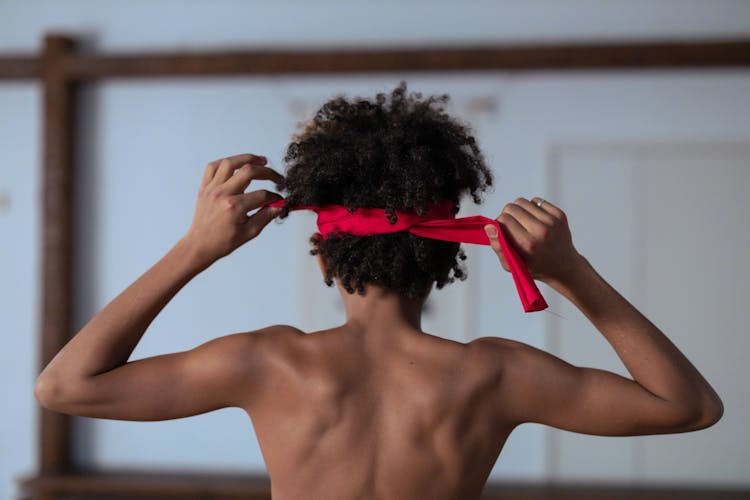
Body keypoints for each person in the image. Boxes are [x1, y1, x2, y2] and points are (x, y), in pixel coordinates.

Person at [34, 82, 723, 500]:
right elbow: (688, 408)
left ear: (324, 255)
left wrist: (194, 250)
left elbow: (65, 387)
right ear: (447, 257)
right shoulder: (495, 374)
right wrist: (573, 273)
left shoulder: (266, 363)